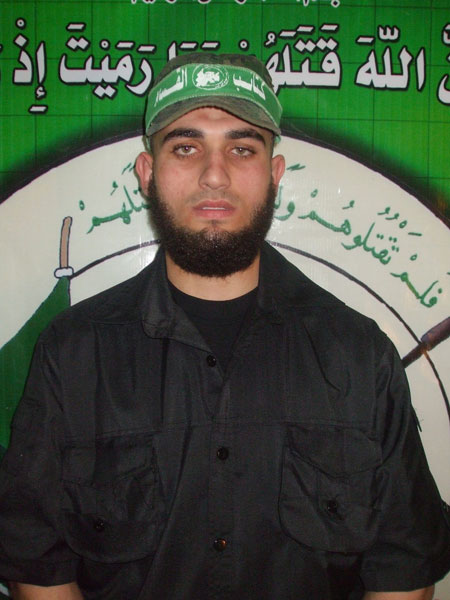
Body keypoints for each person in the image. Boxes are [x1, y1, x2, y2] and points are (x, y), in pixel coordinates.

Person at [0, 52, 449, 600]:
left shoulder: (359, 355)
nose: (215, 175)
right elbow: (38, 565)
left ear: (275, 175)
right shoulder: (72, 354)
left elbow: (403, 570)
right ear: (147, 174)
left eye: (241, 148)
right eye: (186, 148)